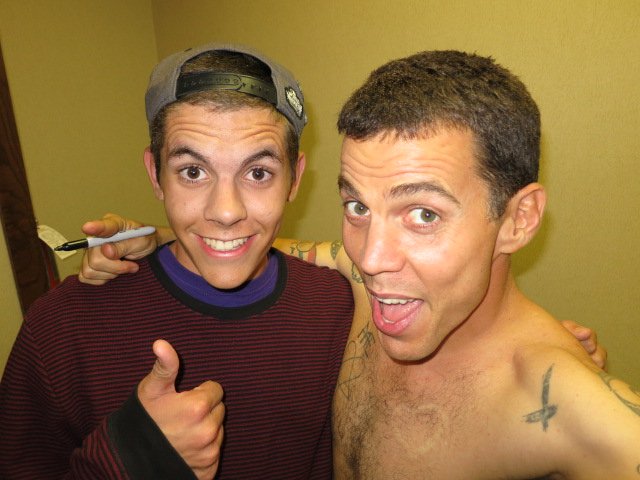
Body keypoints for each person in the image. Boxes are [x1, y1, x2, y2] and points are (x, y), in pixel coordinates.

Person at [75, 51, 627, 478]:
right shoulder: (361, 285)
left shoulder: (583, 418)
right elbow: (273, 244)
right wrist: (170, 236)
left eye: (423, 214)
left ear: (518, 220)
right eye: (358, 207)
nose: (370, 257)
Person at [0, 43, 355, 479]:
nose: (226, 211)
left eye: (258, 173)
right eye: (193, 171)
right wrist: (130, 459)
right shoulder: (61, 327)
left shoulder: (339, 310)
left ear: (294, 179)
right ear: (155, 174)